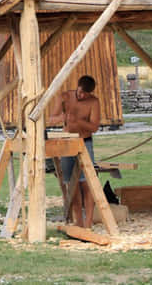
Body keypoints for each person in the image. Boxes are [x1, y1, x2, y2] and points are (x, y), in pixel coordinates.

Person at [47, 75, 101, 228]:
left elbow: (94, 127)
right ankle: (79, 222)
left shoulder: (93, 102)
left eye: (85, 94)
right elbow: (51, 119)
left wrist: (78, 121)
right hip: (67, 142)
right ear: (77, 86)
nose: (82, 96)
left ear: (90, 93)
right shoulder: (65, 97)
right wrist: (63, 117)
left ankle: (88, 223)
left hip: (84, 142)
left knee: (86, 182)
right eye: (80, 92)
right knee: (72, 183)